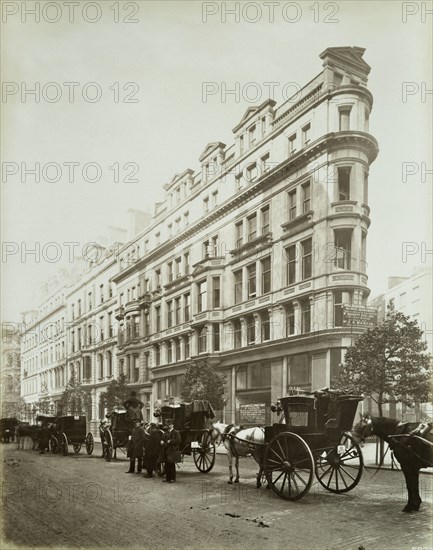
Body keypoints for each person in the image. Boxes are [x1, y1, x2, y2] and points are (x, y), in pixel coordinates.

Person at [161, 419, 181, 483]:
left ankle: (172, 478)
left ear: (173, 425)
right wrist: (161, 441)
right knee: (167, 464)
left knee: (172, 464)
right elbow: (163, 439)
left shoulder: (176, 432)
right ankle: (167, 477)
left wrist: (171, 441)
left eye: (170, 425)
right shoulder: (166, 433)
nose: (169, 426)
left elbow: (178, 440)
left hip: (173, 450)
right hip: (166, 450)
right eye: (168, 425)